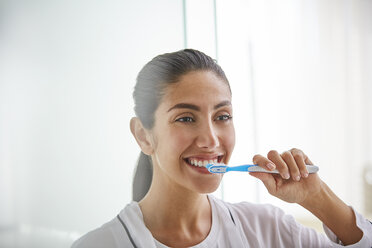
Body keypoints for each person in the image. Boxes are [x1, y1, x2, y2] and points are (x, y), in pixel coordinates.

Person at [72, 49, 372, 247]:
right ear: (143, 135)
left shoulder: (267, 230)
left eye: (222, 117)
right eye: (186, 118)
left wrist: (316, 196)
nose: (211, 138)